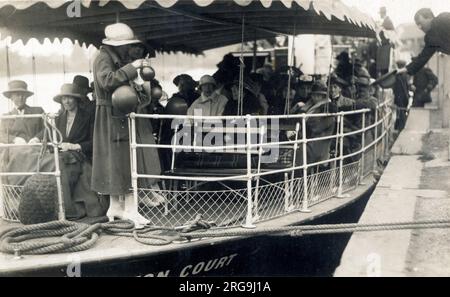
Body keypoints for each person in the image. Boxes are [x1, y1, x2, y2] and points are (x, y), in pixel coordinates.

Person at [91, 22, 163, 225]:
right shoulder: (103, 58)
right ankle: (130, 209)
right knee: (126, 160)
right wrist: (133, 68)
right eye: (125, 45)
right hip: (112, 113)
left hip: (113, 113)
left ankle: (115, 207)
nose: (127, 48)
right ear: (117, 45)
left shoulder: (107, 57)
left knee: (116, 161)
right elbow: (107, 81)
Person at [51, 83, 106, 219]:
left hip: (81, 157)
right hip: (63, 157)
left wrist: (75, 146)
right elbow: (46, 133)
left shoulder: (88, 117)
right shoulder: (58, 119)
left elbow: (94, 142)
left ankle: (67, 209)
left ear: (76, 100)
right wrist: (35, 138)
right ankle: (57, 207)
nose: (67, 101)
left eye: (70, 98)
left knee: (63, 169)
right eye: (64, 98)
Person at [398, 8, 450, 76]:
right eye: (417, 25)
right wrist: (406, 69)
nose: (419, 27)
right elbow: (423, 57)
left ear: (429, 17)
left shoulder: (443, 18)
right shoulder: (430, 38)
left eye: (420, 23)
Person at [0, 80, 44, 144]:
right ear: (11, 97)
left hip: (35, 149)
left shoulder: (38, 111)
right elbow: (1, 135)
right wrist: (14, 139)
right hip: (14, 151)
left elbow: (47, 129)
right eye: (17, 95)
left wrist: (37, 138)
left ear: (27, 97)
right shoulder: (6, 117)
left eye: (23, 95)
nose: (21, 98)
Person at [393, 60, 412, 130]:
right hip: (403, 97)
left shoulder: (398, 75)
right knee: (402, 112)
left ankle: (400, 127)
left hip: (400, 97)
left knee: (400, 112)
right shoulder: (404, 75)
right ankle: (400, 126)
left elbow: (398, 88)